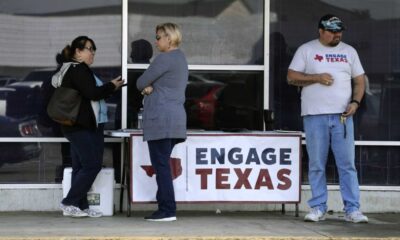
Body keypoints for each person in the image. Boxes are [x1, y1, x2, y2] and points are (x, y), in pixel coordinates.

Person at [287, 14, 368, 223]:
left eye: (339, 30)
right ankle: (318, 207)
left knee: (347, 164)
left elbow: (359, 81)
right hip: (315, 115)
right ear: (320, 31)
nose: (337, 34)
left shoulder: (349, 51)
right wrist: (316, 77)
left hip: (342, 116)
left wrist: (356, 103)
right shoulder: (307, 50)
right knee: (316, 164)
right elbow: (291, 77)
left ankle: (352, 209)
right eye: (332, 31)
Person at [54, 36, 125, 217]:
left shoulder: (76, 70)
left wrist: (109, 88)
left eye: (94, 49)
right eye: (88, 48)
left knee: (80, 167)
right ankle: (68, 202)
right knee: (93, 164)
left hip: (80, 126)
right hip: (78, 126)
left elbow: (88, 96)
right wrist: (111, 86)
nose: (92, 52)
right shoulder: (79, 69)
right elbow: (92, 93)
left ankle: (81, 206)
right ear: (78, 51)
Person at [136, 23, 188, 222]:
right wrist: (151, 87)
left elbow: (140, 82)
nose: (155, 41)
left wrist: (148, 88)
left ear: (169, 38)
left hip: (161, 120)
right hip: (175, 120)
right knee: (163, 166)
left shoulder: (164, 59)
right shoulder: (181, 58)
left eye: (158, 37)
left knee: (161, 168)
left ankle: (167, 210)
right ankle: (165, 207)